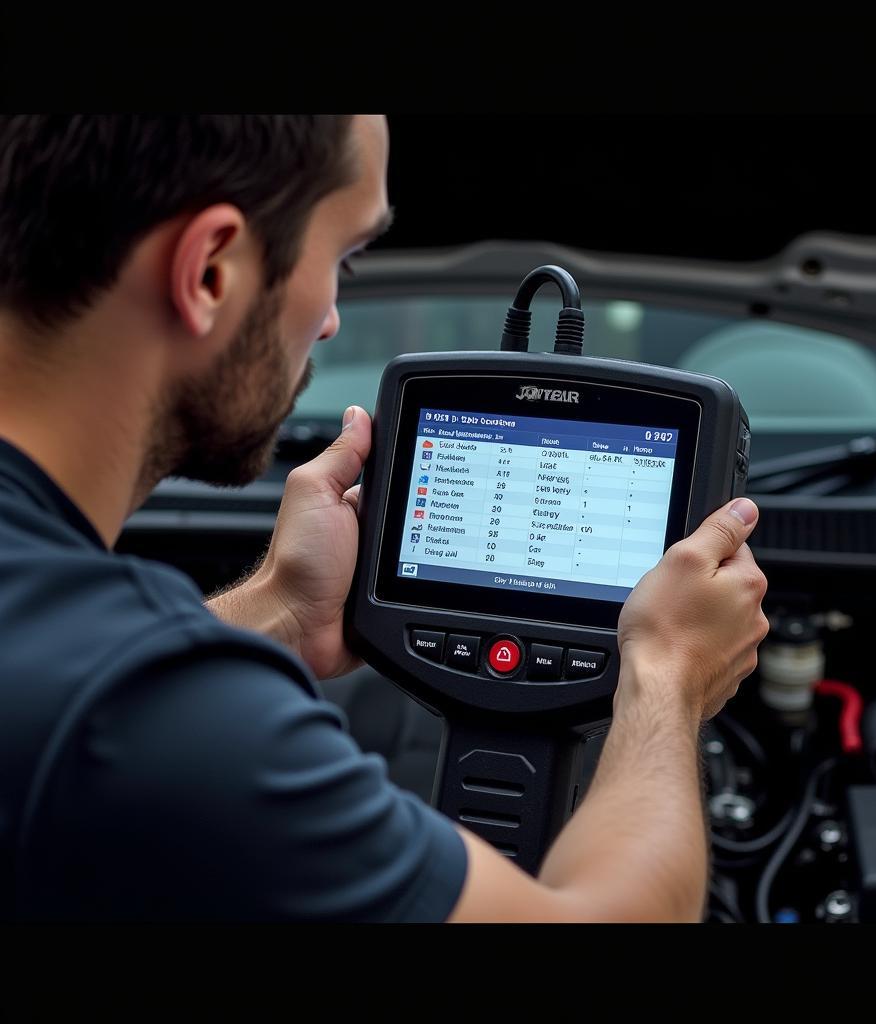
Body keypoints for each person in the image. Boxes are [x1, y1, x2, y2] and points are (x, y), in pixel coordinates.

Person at [0, 114, 769, 922]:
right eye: (342, 258)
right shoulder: (164, 715)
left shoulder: (85, 671)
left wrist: (286, 610)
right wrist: (667, 679)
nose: (331, 318)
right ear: (210, 273)